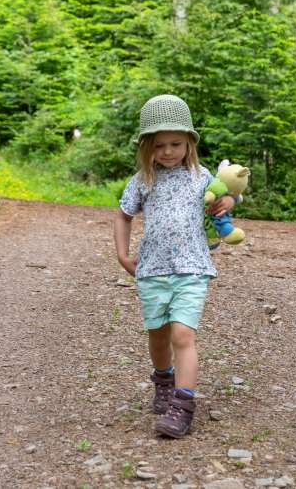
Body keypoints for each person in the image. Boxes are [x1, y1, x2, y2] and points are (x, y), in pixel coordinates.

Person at [113, 94, 236, 438]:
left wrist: (228, 201)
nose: (168, 151)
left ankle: (183, 405)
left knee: (183, 334)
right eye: (160, 145)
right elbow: (123, 215)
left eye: (176, 144)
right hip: (152, 270)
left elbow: (223, 198)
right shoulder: (142, 181)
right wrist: (123, 255)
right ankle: (163, 379)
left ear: (189, 143)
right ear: (147, 147)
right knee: (159, 336)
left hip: (192, 268)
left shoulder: (200, 176)